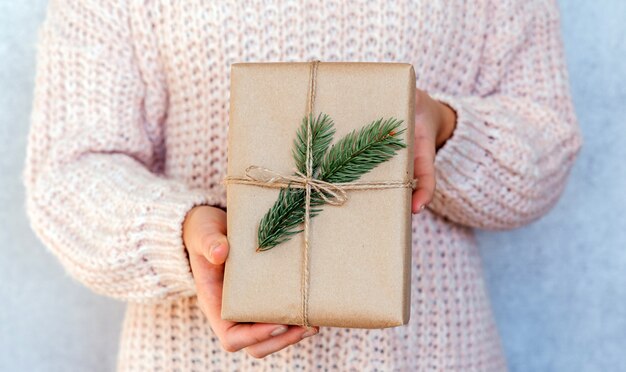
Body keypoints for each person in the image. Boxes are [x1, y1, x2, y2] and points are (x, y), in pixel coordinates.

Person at [24, 0, 582, 370]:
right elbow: (69, 173)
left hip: (431, 355)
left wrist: (442, 127)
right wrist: (184, 233)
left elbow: (547, 145)